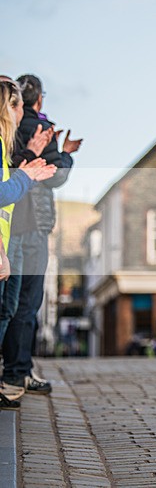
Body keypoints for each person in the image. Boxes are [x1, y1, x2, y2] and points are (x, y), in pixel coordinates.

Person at [2, 74, 81, 401]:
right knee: (23, 304)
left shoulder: (12, 131)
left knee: (13, 304)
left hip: (13, 225)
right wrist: (64, 154)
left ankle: (17, 370)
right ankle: (16, 372)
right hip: (28, 225)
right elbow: (54, 177)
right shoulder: (37, 128)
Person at [0, 78, 56, 408]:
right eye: (16, 104)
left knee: (11, 307)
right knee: (15, 307)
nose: (25, 111)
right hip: (21, 232)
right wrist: (29, 173)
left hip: (12, 236)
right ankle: (14, 375)